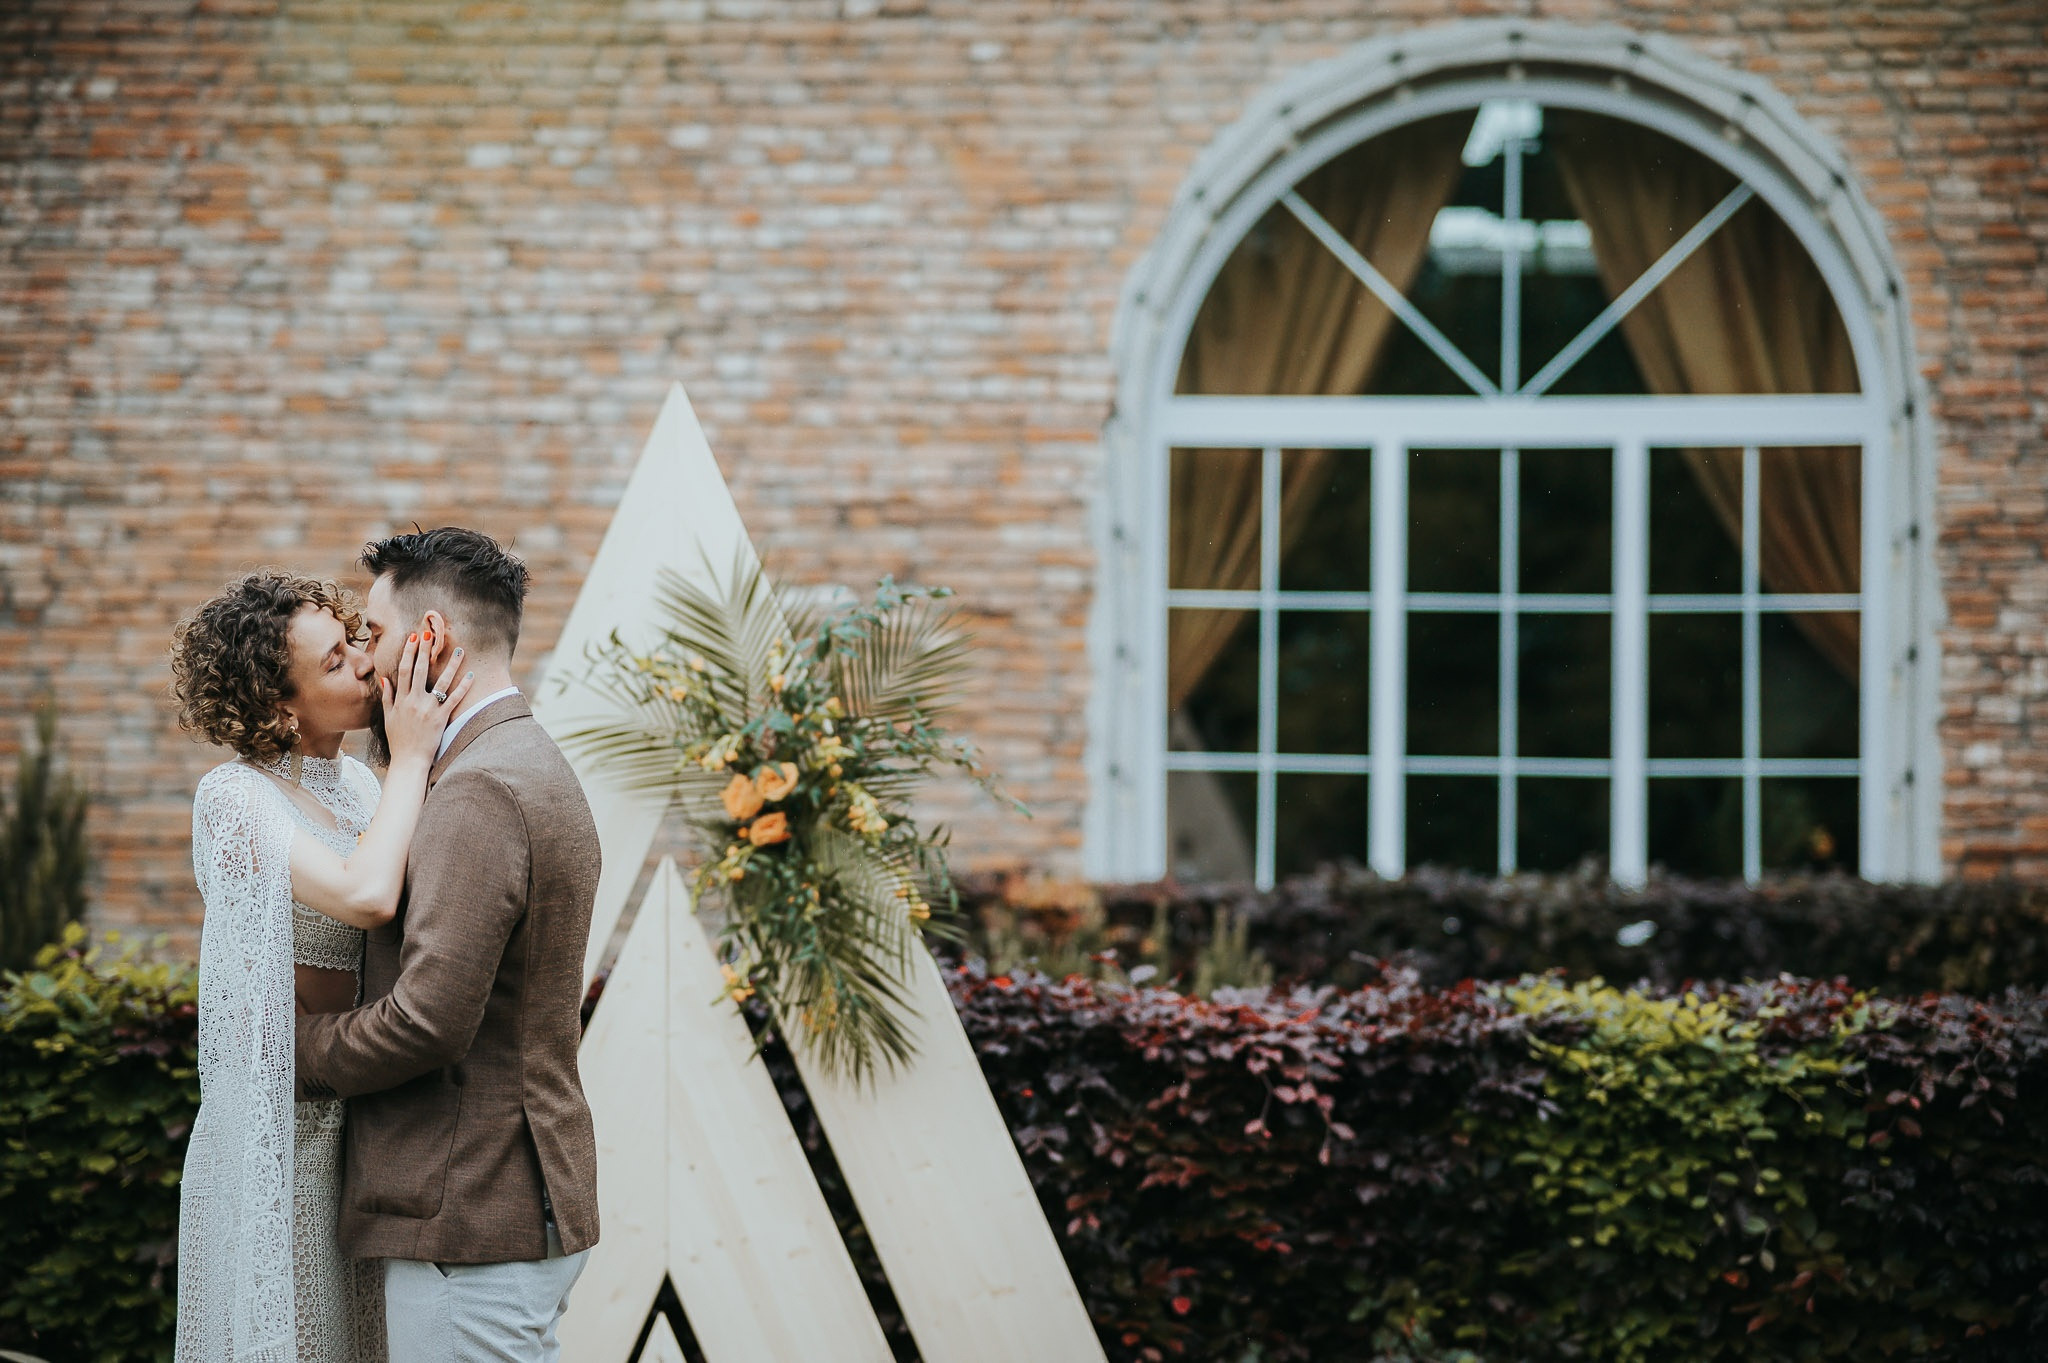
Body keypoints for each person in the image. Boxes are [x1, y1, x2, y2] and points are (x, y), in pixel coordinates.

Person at [295, 527, 603, 1363]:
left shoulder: (479, 790)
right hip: (504, 1199)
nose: (367, 657)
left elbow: (427, 1021)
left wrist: (294, 1049)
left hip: (467, 1218)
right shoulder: (521, 757)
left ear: (429, 640)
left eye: (377, 634)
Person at [170, 569, 474, 1363]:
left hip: (371, 1123)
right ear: (280, 704)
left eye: (354, 643)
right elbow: (368, 894)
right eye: (335, 661)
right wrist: (410, 757)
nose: (366, 666)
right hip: (286, 1141)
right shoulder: (234, 799)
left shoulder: (357, 786)